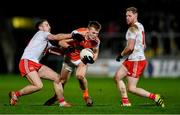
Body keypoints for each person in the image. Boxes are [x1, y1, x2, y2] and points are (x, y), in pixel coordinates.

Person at [9, 19, 72, 107]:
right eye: (46, 25)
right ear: (40, 27)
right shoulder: (41, 33)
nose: (49, 27)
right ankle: (16, 94)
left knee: (57, 78)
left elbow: (60, 52)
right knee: (38, 86)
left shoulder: (46, 41)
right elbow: (55, 37)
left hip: (35, 64)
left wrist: (70, 47)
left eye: (49, 25)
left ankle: (62, 102)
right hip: (27, 61)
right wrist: (71, 35)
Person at [114, 7, 165, 107]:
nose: (127, 18)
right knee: (117, 77)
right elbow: (144, 45)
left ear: (135, 15)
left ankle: (155, 97)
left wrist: (121, 55)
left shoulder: (131, 29)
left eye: (130, 16)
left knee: (132, 88)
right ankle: (125, 102)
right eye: (126, 16)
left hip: (136, 60)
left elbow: (130, 47)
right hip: (133, 58)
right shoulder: (140, 25)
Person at [43, 21, 101, 107]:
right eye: (93, 33)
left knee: (80, 76)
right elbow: (61, 42)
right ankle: (56, 97)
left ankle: (86, 97)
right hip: (69, 58)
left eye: (97, 33)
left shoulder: (96, 41)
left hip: (82, 60)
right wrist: (69, 47)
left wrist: (93, 60)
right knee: (62, 81)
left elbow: (96, 52)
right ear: (88, 30)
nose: (95, 35)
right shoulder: (78, 33)